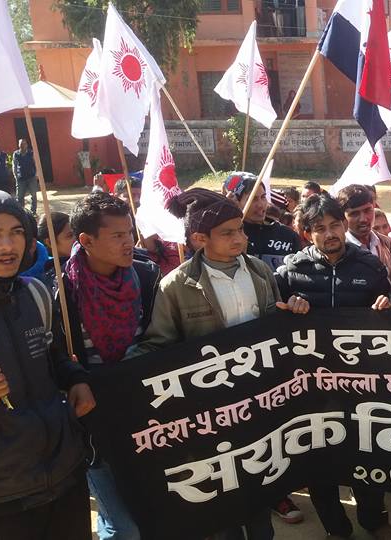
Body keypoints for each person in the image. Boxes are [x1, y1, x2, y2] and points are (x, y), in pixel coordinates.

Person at [131, 189, 309, 540]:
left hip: (260, 402)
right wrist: (118, 375)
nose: (240, 238)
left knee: (261, 487)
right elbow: (158, 345)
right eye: (227, 232)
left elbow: (276, 324)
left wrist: (294, 310)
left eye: (240, 229)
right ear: (200, 239)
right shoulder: (175, 286)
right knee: (223, 498)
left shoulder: (260, 271)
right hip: (211, 412)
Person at [273, 193, 391, 537]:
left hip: (360, 385)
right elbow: (272, 316)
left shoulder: (370, 266)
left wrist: (386, 304)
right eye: (320, 228)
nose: (330, 234)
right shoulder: (292, 271)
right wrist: (288, 305)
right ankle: (336, 529)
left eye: (335, 225)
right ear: (307, 233)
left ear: (344, 225)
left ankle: (374, 520)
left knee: (367, 454)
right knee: (318, 462)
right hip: (312, 390)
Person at [0, 190, 96, 540]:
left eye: (17, 232)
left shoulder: (36, 293)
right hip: (2, 497)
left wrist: (76, 379)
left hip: (65, 474)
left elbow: (52, 355)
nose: (7, 245)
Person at [57, 192, 160, 540]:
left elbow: (160, 337)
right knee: (124, 528)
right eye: (117, 235)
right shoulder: (61, 291)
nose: (129, 242)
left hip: (145, 416)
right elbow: (55, 358)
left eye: (129, 232)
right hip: (94, 428)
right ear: (86, 241)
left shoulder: (146, 275)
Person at [224, 172, 301, 270]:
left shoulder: (288, 236)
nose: (261, 204)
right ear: (235, 202)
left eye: (263, 197)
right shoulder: (226, 236)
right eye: (253, 199)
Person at [337, 184, 391, 283]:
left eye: (367, 210)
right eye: (354, 214)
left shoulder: (386, 243)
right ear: (343, 217)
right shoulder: (339, 250)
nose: (363, 219)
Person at [13, 139, 38, 215]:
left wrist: (36, 174)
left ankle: (33, 211)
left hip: (31, 177)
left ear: (27, 145)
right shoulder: (16, 154)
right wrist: (16, 176)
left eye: (24, 144)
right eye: (21, 144)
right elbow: (14, 165)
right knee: (19, 197)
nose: (22, 146)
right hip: (21, 178)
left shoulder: (31, 153)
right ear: (19, 145)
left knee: (33, 195)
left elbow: (36, 163)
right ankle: (22, 212)